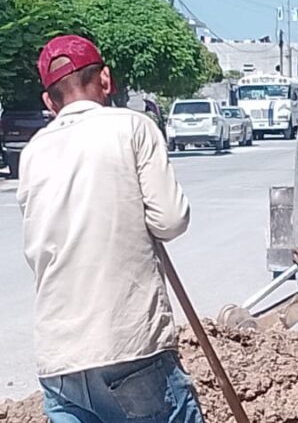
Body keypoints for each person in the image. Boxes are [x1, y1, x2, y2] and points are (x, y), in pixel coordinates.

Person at [16, 35, 204, 423]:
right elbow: (170, 220)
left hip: (59, 362)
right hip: (128, 349)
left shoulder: (33, 151)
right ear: (106, 79)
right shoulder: (132, 127)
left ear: (49, 102)